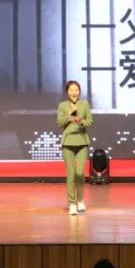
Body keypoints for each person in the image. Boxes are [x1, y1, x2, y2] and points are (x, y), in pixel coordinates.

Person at [57, 80, 93, 216]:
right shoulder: (62, 105)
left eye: (76, 90)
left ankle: (80, 200)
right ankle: (71, 204)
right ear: (67, 92)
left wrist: (80, 121)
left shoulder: (84, 104)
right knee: (71, 174)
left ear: (79, 91)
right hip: (68, 142)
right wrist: (69, 116)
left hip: (82, 142)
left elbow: (90, 122)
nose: (74, 93)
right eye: (71, 90)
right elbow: (59, 123)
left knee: (79, 173)